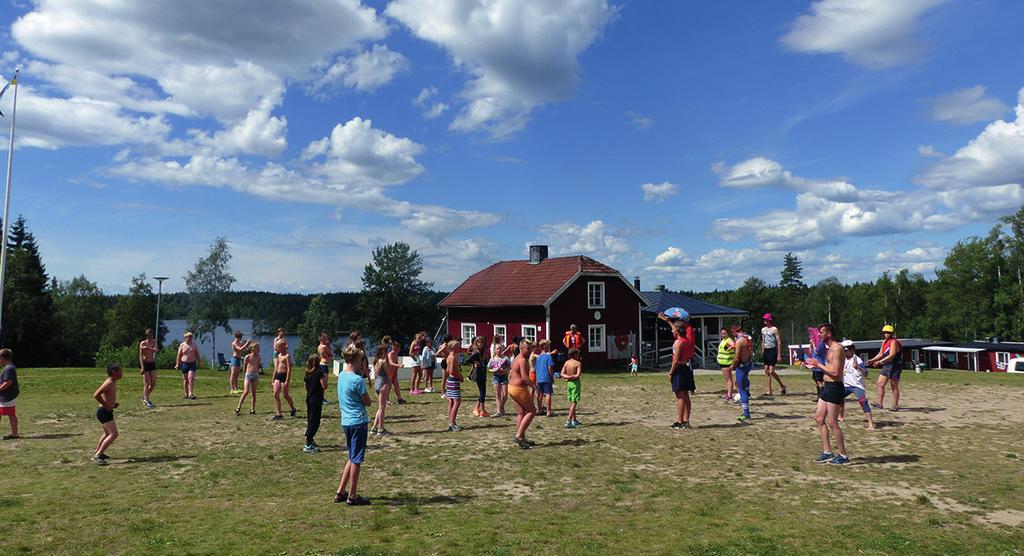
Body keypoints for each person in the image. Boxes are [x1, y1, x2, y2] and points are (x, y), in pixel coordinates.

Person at [803, 323, 850, 465]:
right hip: (827, 387)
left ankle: (843, 455)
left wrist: (818, 365)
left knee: (833, 422)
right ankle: (827, 452)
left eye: (822, 332)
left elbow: (836, 372)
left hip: (835, 387)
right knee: (818, 418)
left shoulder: (837, 349)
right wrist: (813, 363)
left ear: (829, 333)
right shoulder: (828, 349)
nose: (819, 335)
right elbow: (827, 365)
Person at [335, 344, 372, 506]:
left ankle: (340, 491)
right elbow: (368, 402)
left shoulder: (342, 375)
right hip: (358, 421)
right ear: (357, 360)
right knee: (356, 459)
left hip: (346, 421)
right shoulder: (357, 380)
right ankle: (352, 495)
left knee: (351, 456)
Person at [660, 312, 695, 429]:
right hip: (685, 367)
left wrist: (670, 372)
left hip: (679, 369)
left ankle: (680, 422)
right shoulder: (685, 340)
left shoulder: (678, 343)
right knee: (686, 396)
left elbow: (675, 360)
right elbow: (675, 329)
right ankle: (686, 421)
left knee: (680, 397)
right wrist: (668, 321)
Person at [839, 340, 875, 431]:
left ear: (852, 350)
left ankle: (871, 424)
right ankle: (841, 416)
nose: (845, 352)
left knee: (863, 401)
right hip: (846, 385)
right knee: (837, 398)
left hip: (857, 386)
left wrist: (858, 367)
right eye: (844, 350)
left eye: (846, 350)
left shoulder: (857, 360)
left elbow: (866, 374)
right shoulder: (842, 359)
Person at [91, 363, 123, 465]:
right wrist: (107, 406)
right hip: (103, 412)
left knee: (107, 434)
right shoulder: (109, 382)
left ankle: (98, 452)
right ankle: (97, 456)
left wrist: (112, 404)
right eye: (120, 371)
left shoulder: (113, 382)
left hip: (106, 411)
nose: (122, 373)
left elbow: (107, 397)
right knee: (114, 434)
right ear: (114, 372)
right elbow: (96, 395)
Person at [508, 339, 536, 449]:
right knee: (532, 411)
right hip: (519, 389)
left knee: (521, 413)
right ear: (521, 348)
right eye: (527, 349)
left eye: (530, 348)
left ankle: (522, 439)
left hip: (511, 388)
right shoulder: (522, 360)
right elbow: (524, 377)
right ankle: (519, 435)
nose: (529, 351)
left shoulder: (516, 358)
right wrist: (534, 387)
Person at [868, 325, 903, 411]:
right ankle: (879, 403)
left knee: (894, 385)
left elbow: (892, 355)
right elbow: (881, 354)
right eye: (885, 332)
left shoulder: (894, 342)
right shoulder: (884, 342)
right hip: (887, 365)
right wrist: (872, 360)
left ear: (892, 333)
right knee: (880, 384)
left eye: (888, 333)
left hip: (895, 365)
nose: (886, 334)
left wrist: (880, 362)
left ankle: (895, 405)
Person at [729, 324, 754, 423]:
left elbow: (737, 358)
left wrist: (732, 366)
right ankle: (747, 391)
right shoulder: (747, 337)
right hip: (748, 363)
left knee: (741, 388)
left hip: (742, 366)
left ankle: (746, 413)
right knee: (745, 381)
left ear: (734, 332)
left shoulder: (739, 341)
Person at [304, 354, 328, 453]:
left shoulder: (307, 373)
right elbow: (324, 386)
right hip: (316, 399)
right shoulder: (319, 372)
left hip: (309, 398)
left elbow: (306, 387)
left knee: (310, 418)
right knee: (315, 421)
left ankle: (311, 440)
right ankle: (308, 442)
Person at [760, 314, 787, 397]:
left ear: (769, 320)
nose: (765, 321)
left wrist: (779, 354)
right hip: (766, 350)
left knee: (771, 371)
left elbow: (779, 341)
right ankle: (769, 391)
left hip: (772, 350)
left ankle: (782, 385)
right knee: (766, 370)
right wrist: (762, 351)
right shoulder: (763, 329)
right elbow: (763, 341)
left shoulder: (774, 329)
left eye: (766, 319)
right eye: (764, 319)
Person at [271, 339, 297, 420]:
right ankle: (279, 413)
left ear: (283, 347)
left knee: (285, 395)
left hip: (284, 375)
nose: (277, 348)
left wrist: (287, 380)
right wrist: (273, 378)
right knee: (275, 394)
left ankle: (293, 408)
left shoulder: (287, 356)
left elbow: (289, 368)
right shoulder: (278, 355)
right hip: (278, 375)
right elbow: (276, 367)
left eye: (278, 347)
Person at [370, 343, 392, 436]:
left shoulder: (375, 362)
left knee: (380, 407)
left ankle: (374, 427)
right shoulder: (383, 362)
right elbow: (389, 373)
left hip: (377, 384)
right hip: (383, 384)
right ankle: (381, 428)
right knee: (382, 407)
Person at [466, 336, 490, 418]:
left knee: (482, 392)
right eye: (478, 342)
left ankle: (477, 408)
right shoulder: (476, 353)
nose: (480, 344)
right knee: (483, 392)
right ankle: (482, 410)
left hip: (483, 373)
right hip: (478, 374)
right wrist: (475, 362)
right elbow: (467, 360)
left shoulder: (482, 352)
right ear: (476, 343)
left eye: (482, 342)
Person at [234, 343, 262, 415]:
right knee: (246, 391)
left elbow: (258, 365)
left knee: (254, 392)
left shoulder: (259, 357)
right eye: (257, 348)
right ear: (253, 349)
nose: (259, 350)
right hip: (248, 375)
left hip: (255, 375)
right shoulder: (248, 357)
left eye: (259, 348)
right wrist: (244, 375)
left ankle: (252, 408)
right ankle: (238, 407)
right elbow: (244, 366)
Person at [0, 348, 20, 439]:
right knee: (11, 414)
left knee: (11, 414)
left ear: (2, 358)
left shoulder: (8, 368)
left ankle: (14, 434)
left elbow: (8, 382)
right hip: (7, 396)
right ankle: (14, 433)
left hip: (8, 396)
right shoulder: (9, 367)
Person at [445, 340, 464, 431]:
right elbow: (452, 371)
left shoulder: (449, 357)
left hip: (450, 380)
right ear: (453, 348)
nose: (459, 348)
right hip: (454, 381)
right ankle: (452, 424)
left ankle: (451, 422)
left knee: (452, 402)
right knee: (457, 401)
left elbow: (448, 370)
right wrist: (460, 377)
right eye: (458, 346)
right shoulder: (452, 357)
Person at [534, 340, 557, 417]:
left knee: (539, 394)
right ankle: (548, 411)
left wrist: (537, 378)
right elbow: (550, 367)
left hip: (539, 377)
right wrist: (552, 377)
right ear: (545, 347)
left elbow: (536, 368)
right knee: (548, 394)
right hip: (546, 377)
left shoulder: (538, 357)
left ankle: (539, 410)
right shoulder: (548, 356)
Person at [561, 348, 583, 429]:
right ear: (575, 355)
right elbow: (578, 374)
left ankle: (574, 420)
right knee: (574, 402)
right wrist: (572, 376)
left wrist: (568, 377)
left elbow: (562, 373)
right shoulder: (578, 363)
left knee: (572, 401)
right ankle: (568, 421)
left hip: (569, 383)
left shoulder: (566, 363)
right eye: (577, 354)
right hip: (575, 383)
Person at [488, 344, 512, 417]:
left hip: (504, 377)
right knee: (497, 395)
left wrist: (505, 370)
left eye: (500, 349)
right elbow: (489, 368)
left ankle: (501, 406)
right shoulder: (492, 359)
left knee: (505, 395)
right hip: (496, 377)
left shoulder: (505, 358)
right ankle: (498, 412)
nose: (499, 350)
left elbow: (510, 367)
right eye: (497, 349)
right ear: (495, 350)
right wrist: (494, 370)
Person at [175, 332, 199, 399]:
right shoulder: (182, 345)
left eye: (191, 337)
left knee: (190, 378)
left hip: (192, 363)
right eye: (189, 337)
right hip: (184, 363)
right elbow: (179, 355)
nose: (190, 338)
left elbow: (197, 353)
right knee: (185, 379)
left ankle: (191, 393)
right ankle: (186, 393)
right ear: (185, 338)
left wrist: (199, 362)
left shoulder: (194, 345)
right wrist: (177, 364)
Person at [229, 331, 254, 395]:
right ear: (236, 337)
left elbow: (245, 349)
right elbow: (240, 349)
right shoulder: (234, 343)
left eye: (240, 337)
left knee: (237, 375)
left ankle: (236, 388)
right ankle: (232, 389)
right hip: (234, 359)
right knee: (233, 374)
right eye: (239, 337)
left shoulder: (240, 343)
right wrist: (247, 343)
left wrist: (249, 344)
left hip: (239, 359)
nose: (240, 338)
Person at [139, 329, 158, 409]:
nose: (149, 337)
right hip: (145, 363)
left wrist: (148, 348)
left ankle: (145, 396)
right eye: (148, 335)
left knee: (153, 382)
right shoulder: (143, 343)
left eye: (151, 335)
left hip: (152, 363)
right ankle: (146, 400)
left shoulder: (154, 342)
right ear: (146, 336)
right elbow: (140, 356)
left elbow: (156, 350)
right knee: (146, 383)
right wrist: (142, 367)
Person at [716, 327, 736, 402]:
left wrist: (729, 348)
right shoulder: (723, 340)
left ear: (728, 333)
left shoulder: (728, 340)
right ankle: (729, 393)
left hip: (726, 362)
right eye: (722, 333)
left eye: (724, 333)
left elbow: (734, 345)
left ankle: (729, 394)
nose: (723, 335)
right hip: (723, 363)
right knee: (727, 379)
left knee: (728, 379)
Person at [386, 339, 407, 405]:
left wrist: (396, 370)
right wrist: (399, 365)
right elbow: (391, 363)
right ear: (394, 347)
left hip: (394, 373)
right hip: (389, 373)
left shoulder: (396, 354)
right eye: (398, 348)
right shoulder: (390, 354)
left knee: (396, 386)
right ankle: (387, 400)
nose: (399, 349)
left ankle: (399, 399)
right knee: (388, 387)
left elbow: (395, 363)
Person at [317, 332, 334, 406]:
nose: (327, 340)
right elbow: (330, 353)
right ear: (323, 339)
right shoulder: (324, 346)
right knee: (324, 383)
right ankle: (321, 398)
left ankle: (321, 398)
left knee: (323, 382)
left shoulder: (319, 346)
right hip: (324, 365)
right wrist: (329, 345)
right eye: (326, 338)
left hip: (322, 364)